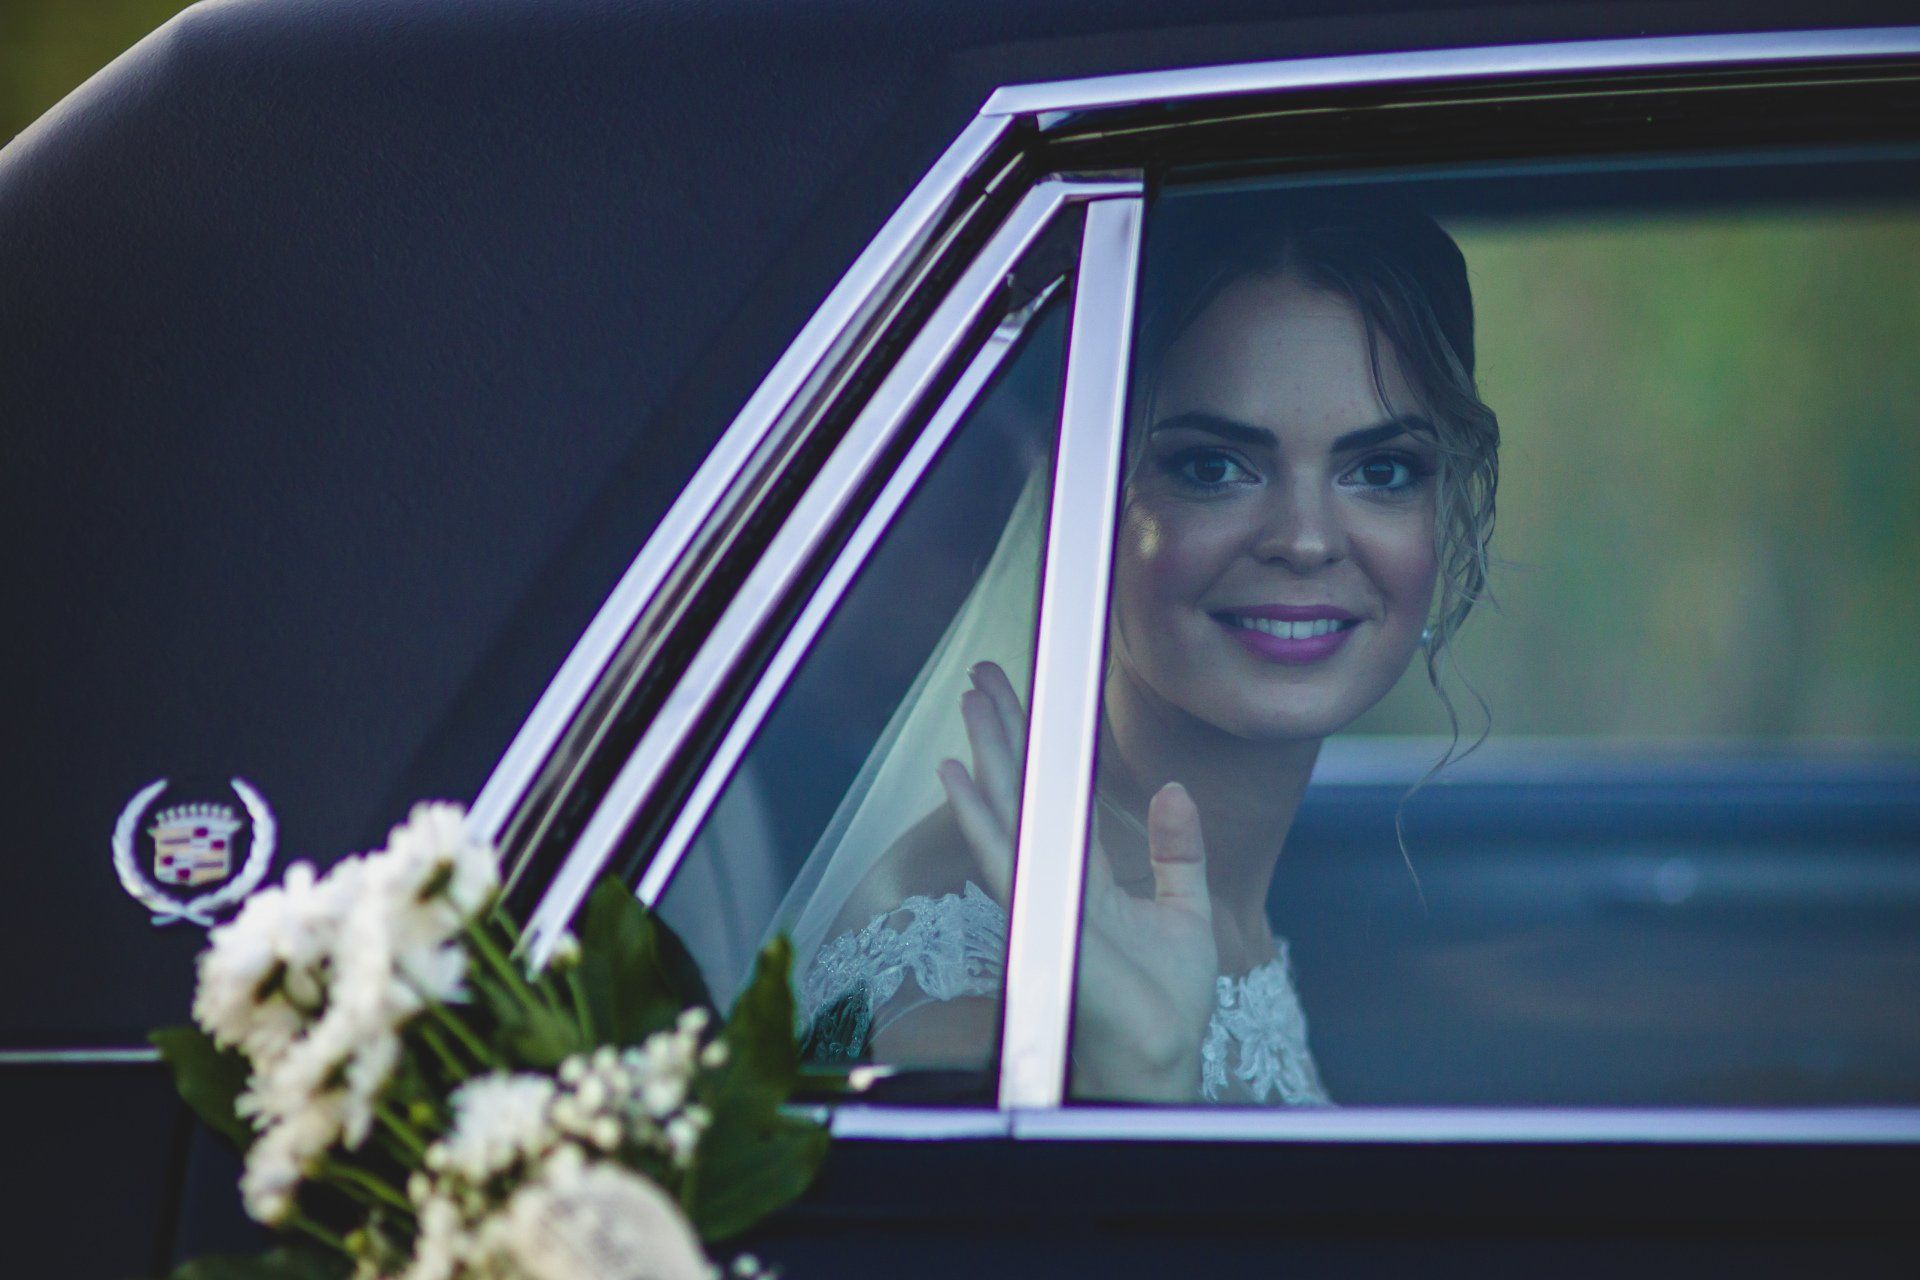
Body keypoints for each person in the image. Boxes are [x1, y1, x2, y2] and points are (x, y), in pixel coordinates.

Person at [781, 192, 1500, 1105]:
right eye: (1213, 466)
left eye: (1381, 470)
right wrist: (1138, 1081)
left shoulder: (1197, 883)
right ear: (1079, 498)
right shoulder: (967, 993)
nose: (1308, 539)